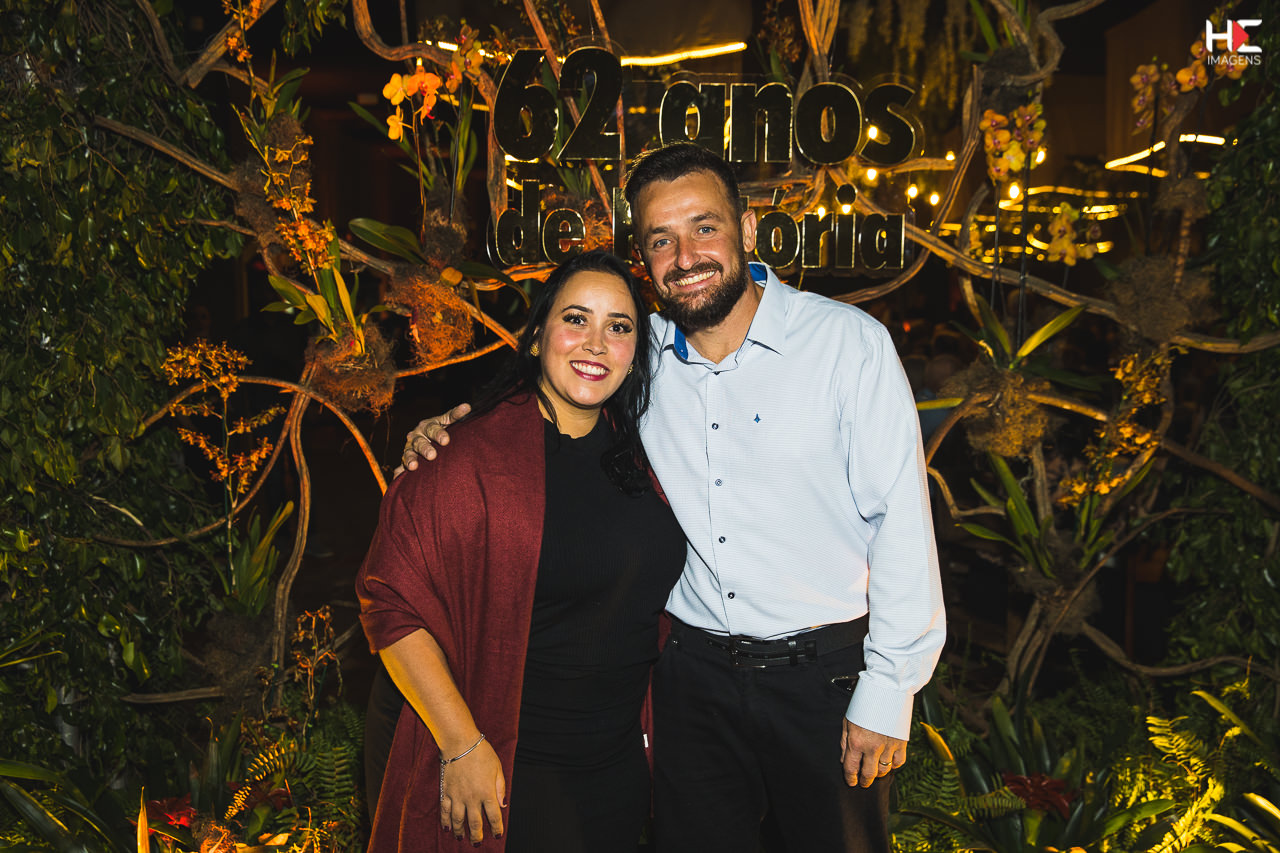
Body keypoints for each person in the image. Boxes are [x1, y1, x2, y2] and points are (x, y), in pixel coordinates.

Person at [401, 142, 946, 853]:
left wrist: (889, 689)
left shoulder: (848, 345)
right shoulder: (637, 356)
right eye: (661, 239)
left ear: (747, 229)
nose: (685, 256)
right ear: (644, 258)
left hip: (824, 678)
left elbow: (901, 524)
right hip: (690, 684)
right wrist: (452, 426)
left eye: (704, 227)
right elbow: (547, 397)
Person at [358, 249, 686, 852]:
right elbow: (389, 604)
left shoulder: (644, 454)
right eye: (576, 319)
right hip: (511, 776)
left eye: (618, 326)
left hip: (617, 773)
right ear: (536, 337)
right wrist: (461, 744)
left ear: (635, 352)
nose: (596, 343)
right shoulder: (464, 457)